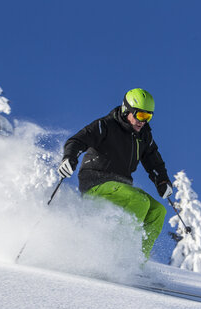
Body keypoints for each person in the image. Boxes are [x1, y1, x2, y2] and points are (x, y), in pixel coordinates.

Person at [58, 88, 173, 259]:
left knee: (158, 211)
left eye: (148, 117)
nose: (143, 121)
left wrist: (162, 181)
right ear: (127, 110)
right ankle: (116, 256)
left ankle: (137, 262)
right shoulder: (106, 125)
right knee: (139, 201)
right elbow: (77, 140)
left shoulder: (144, 136)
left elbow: (153, 160)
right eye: (140, 115)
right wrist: (69, 158)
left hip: (121, 187)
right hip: (96, 182)